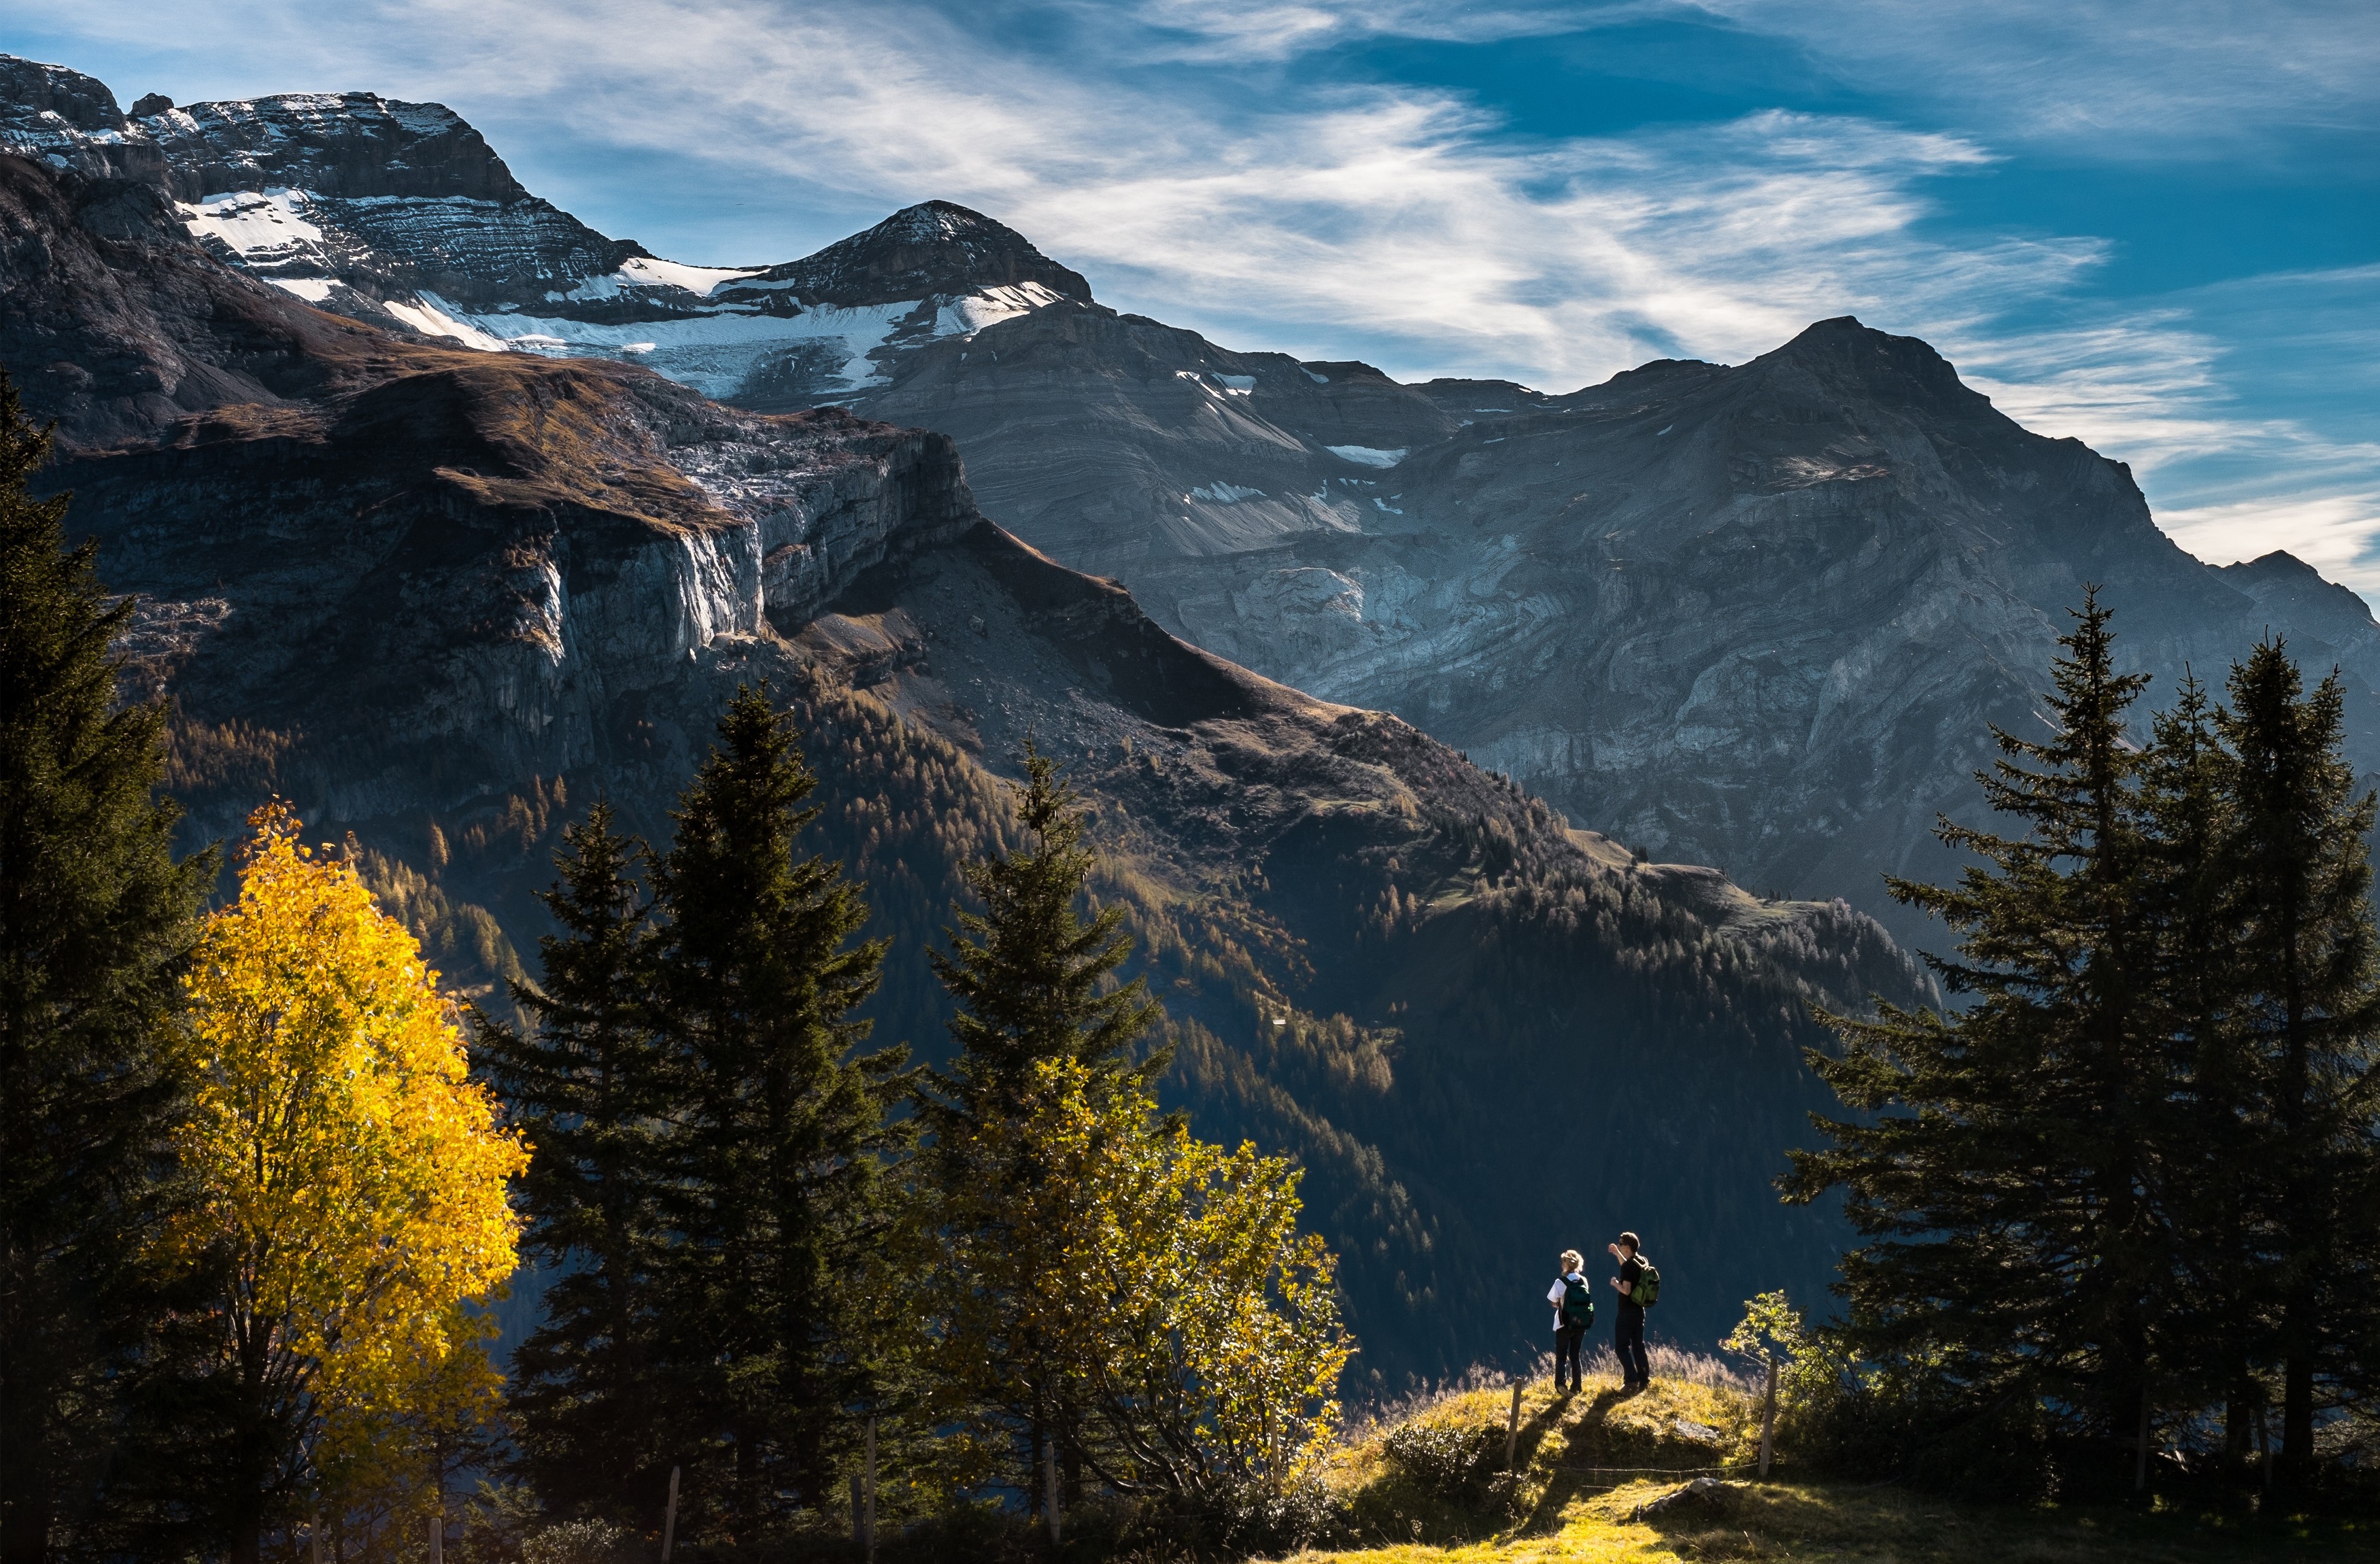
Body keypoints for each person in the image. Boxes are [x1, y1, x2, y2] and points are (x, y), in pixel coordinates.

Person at [1545, 1249, 1593, 1391]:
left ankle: (1561, 1384)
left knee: (1561, 1356)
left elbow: (1553, 1301)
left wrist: (1559, 1303)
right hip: (1581, 1323)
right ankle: (1577, 1386)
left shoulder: (1561, 1281)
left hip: (1564, 1324)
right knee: (1575, 1356)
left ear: (1565, 1264)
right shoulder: (1583, 1280)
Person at [1608, 1231, 1650, 1393]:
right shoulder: (1641, 1261)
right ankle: (1644, 1380)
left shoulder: (1628, 1266)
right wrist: (1617, 1254)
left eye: (1621, 1244)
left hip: (1626, 1312)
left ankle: (1631, 1380)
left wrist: (1615, 1284)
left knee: (1621, 1348)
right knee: (1638, 1346)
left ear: (1627, 1247)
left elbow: (1626, 1290)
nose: (1619, 1245)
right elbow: (1628, 1268)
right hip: (1639, 1311)